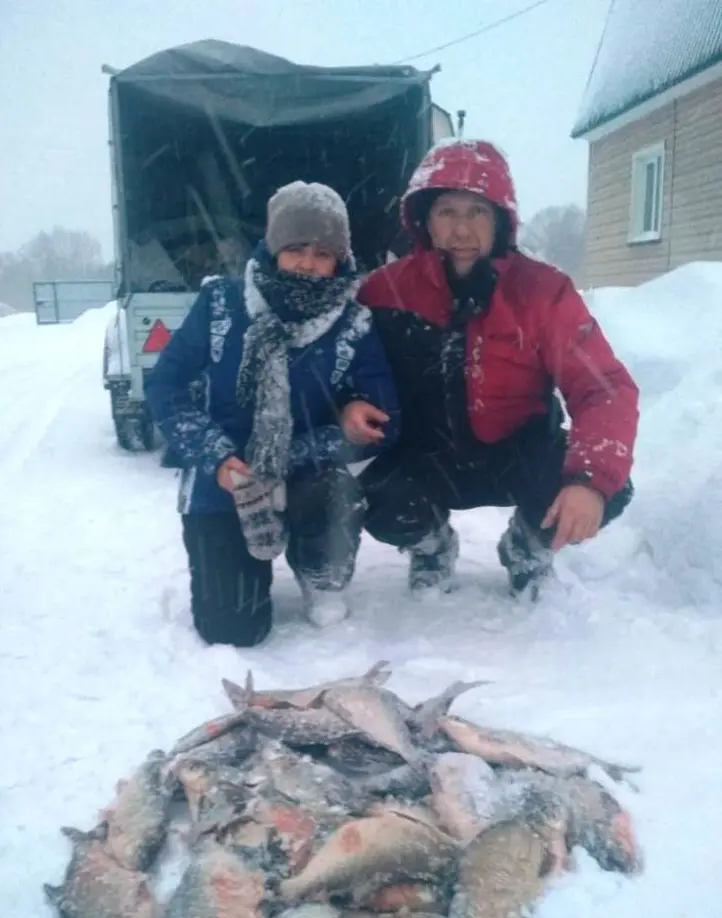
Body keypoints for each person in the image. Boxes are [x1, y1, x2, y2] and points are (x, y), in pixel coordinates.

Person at [356, 139, 639, 600]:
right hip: (427, 458)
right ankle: (431, 547)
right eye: (447, 211)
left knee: (606, 485)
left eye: (478, 212)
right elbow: (341, 370)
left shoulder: (544, 292)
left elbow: (602, 388)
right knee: (372, 499)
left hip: (517, 452)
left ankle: (527, 545)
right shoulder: (384, 291)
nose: (462, 229)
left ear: (501, 221)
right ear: (424, 219)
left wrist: (590, 480)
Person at [145, 180, 399, 646]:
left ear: (340, 260)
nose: (308, 263)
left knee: (334, 493)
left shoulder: (354, 323)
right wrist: (217, 458)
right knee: (233, 630)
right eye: (296, 247)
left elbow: (389, 417)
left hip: (305, 474)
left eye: (323, 253)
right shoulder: (221, 304)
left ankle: (319, 574)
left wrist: (347, 421)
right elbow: (166, 385)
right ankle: (243, 561)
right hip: (225, 481)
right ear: (272, 248)